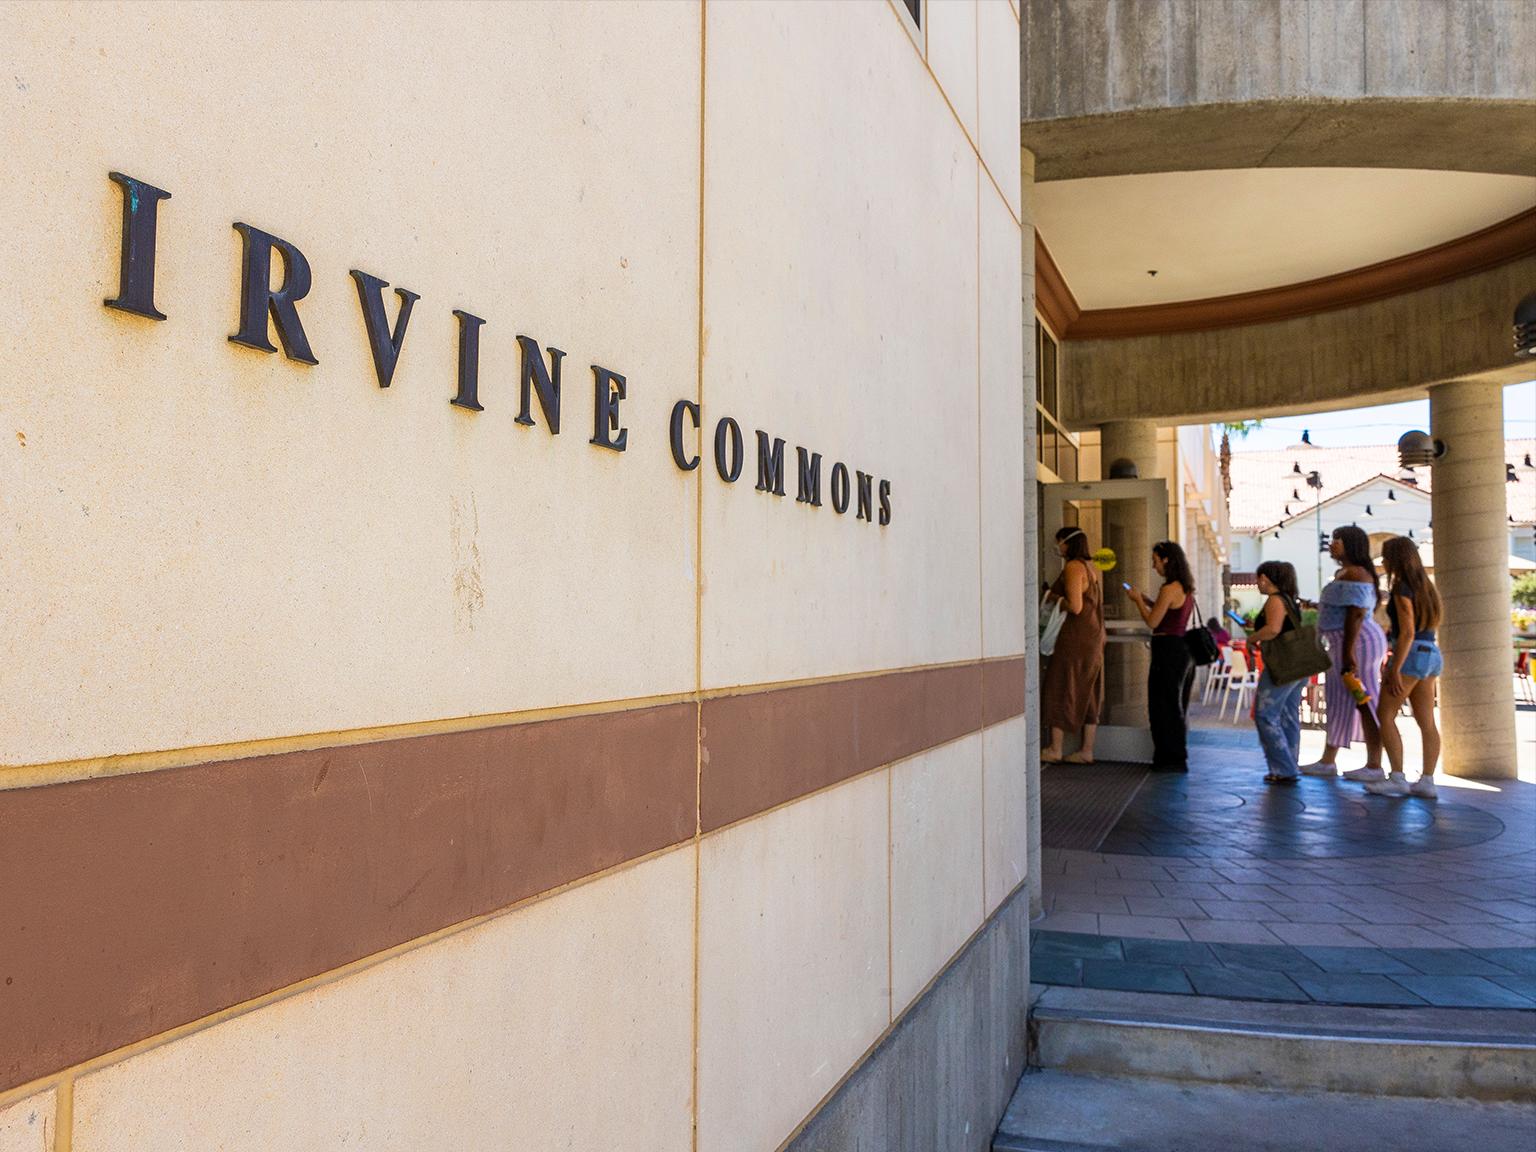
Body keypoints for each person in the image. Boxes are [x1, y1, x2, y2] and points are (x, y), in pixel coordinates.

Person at [1300, 525, 1386, 780]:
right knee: (1342, 698)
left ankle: (1374, 764)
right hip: (1348, 642)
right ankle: (1329, 760)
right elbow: (1345, 609)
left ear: (1352, 545)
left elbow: (1356, 613)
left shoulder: (1355, 574)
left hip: (1355, 643)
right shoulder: (1347, 573)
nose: (1332, 543)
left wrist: (1349, 653)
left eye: (1338, 539)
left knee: (1364, 700)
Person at [1366, 537, 1443, 799]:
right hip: (1430, 652)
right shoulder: (1426, 587)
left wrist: (1394, 668)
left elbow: (1408, 631)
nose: (1384, 562)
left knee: (1384, 713)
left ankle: (1397, 777)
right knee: (1426, 721)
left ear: (1396, 559)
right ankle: (1427, 780)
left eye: (1386, 557)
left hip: (1411, 655)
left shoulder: (1401, 587)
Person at [1127, 541, 1196, 772]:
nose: (1154, 566)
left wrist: (1137, 601)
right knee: (1173, 703)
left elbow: (1153, 622)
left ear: (1166, 560)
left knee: (1161, 705)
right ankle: (1175, 755)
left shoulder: (1169, 589)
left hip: (1167, 649)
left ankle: (1168, 757)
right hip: (1181, 649)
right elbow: (1168, 613)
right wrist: (1148, 601)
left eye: (1155, 560)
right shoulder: (1185, 588)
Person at [1040, 526, 1106, 764]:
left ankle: (1055, 748)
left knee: (1059, 685)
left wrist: (1051, 595)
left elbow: (1075, 606)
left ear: (1067, 544)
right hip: (1093, 637)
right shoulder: (1091, 567)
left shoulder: (1073, 567)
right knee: (1088, 691)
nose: (1057, 547)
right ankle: (1087, 750)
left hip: (1075, 638)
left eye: (1059, 542)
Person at [1247, 561, 1304, 785]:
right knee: (1289, 716)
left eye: (1259, 578)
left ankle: (1283, 768)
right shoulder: (1289, 600)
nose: (1257, 583)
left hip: (1282, 665)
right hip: (1299, 665)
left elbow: (1273, 629)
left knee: (1265, 714)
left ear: (1267, 579)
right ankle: (1290, 764)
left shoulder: (1275, 599)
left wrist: (1252, 637)